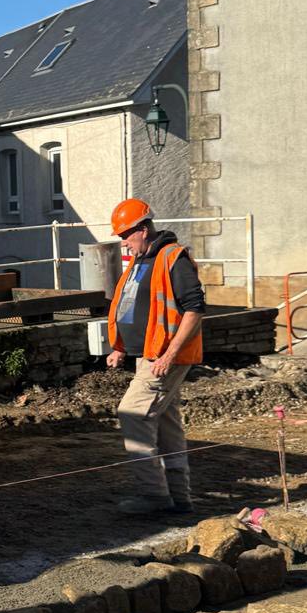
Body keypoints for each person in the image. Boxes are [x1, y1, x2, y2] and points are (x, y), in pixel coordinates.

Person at [105, 199, 205, 516]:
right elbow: (136, 305)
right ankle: (179, 497)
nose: (123, 241)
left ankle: (152, 495)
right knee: (166, 425)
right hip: (146, 355)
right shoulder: (140, 261)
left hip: (163, 358)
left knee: (132, 413)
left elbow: (194, 309)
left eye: (126, 234)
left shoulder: (173, 258)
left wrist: (170, 354)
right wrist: (120, 346)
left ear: (144, 229)